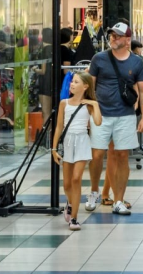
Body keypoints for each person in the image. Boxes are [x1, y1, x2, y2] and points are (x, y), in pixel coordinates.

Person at [85, 20, 143, 215]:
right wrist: (89, 112)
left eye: (118, 36)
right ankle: (94, 191)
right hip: (101, 114)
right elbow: (90, 86)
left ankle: (119, 199)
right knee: (97, 155)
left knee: (122, 156)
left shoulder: (136, 62)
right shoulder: (99, 59)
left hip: (125, 115)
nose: (113, 38)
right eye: (112, 35)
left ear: (128, 40)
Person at [52, 71, 101, 231]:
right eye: (72, 81)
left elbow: (98, 122)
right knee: (67, 184)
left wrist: (95, 104)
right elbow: (59, 126)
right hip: (67, 142)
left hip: (82, 141)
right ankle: (71, 203)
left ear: (85, 86)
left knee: (76, 179)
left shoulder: (89, 105)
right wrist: (54, 148)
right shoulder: (64, 103)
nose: (72, 84)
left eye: (76, 82)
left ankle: (74, 218)